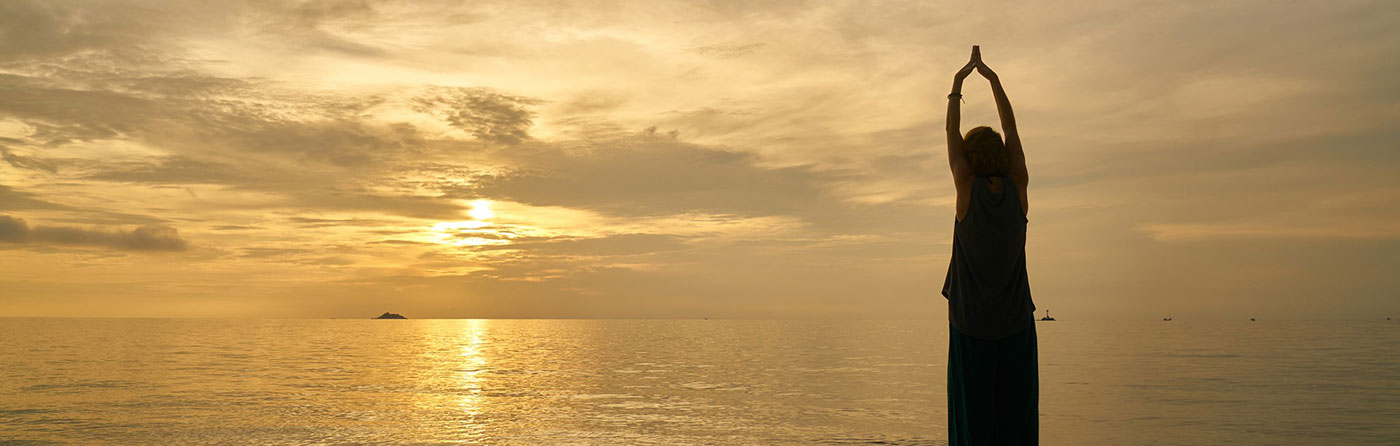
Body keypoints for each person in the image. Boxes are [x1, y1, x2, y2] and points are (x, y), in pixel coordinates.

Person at [941, 45, 1038, 445]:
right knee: (1016, 423)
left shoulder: (966, 190)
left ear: (967, 157)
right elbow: (1012, 130)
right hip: (1016, 326)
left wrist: (957, 84)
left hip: (970, 327)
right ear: (1000, 155)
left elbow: (950, 132)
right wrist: (994, 81)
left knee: (973, 426)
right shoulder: (1018, 188)